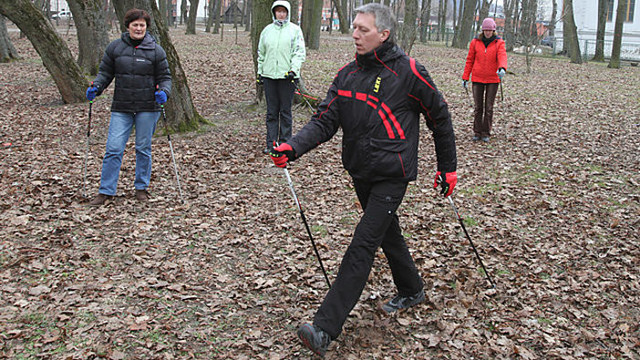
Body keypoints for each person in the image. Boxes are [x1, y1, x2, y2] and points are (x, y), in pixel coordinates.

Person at [269, 3, 457, 357]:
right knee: (387, 233)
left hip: (392, 175)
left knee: (363, 243)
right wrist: (292, 148)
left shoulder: (411, 72)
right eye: (353, 28)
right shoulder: (346, 76)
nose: (354, 34)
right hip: (360, 171)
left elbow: (440, 118)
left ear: (383, 34)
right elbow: (324, 121)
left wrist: (448, 168)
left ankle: (324, 328)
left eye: (363, 30)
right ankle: (412, 288)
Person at [85, 8, 172, 206]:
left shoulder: (156, 50)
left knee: (143, 148)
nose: (139, 28)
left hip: (148, 108)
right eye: (135, 25)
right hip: (122, 107)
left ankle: (141, 188)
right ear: (128, 27)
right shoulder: (115, 48)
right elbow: (105, 73)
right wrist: (96, 87)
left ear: (146, 27)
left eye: (142, 25)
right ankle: (106, 191)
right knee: (114, 148)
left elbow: (165, 78)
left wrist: (164, 93)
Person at [257, 0, 306, 154]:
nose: (281, 14)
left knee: (285, 111)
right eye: (278, 11)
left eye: (283, 11)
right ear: (274, 13)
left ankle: (285, 143)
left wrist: (294, 70)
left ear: (288, 13)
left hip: (287, 77)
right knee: (272, 112)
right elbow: (261, 53)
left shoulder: (295, 30)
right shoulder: (267, 31)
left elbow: (299, 52)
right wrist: (260, 72)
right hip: (269, 75)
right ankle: (271, 143)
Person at [462, 17, 507, 143]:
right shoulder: (475, 42)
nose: (488, 32)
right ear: (482, 30)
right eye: (486, 30)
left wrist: (502, 68)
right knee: (478, 107)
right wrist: (465, 77)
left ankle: (486, 132)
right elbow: (469, 60)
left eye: (490, 30)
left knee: (489, 107)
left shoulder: (499, 43)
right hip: (477, 78)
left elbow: (502, 56)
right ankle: (477, 131)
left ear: (493, 31)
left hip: (493, 79)